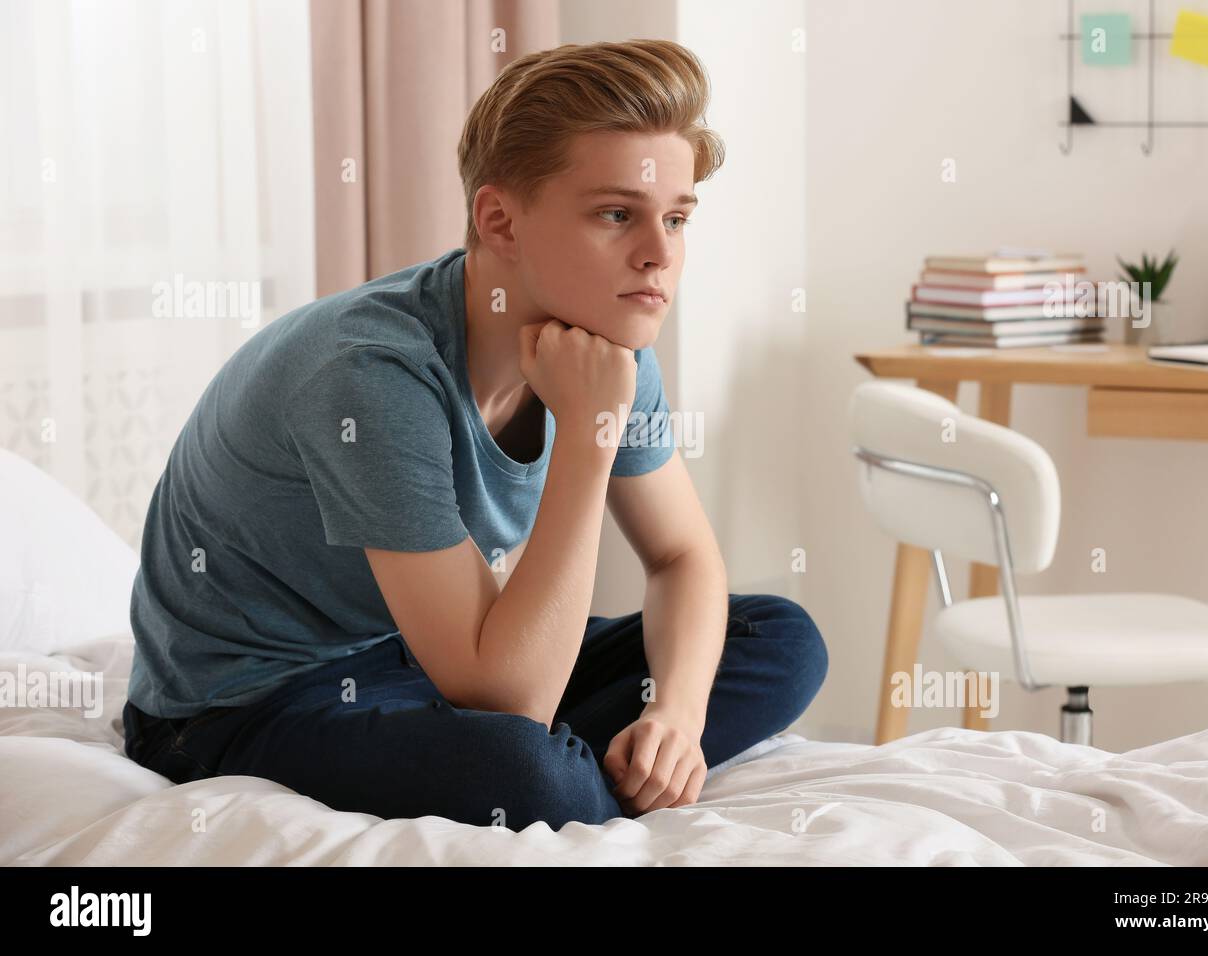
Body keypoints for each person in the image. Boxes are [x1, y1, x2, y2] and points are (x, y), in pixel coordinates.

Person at [122, 38, 828, 831]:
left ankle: (578, 775)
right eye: (616, 214)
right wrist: (591, 439)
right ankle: (565, 783)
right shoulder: (370, 376)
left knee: (781, 638)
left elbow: (681, 557)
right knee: (525, 773)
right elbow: (509, 699)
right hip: (252, 701)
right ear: (500, 221)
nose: (659, 257)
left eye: (676, 218)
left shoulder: (608, 333)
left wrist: (676, 718)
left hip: (431, 656)